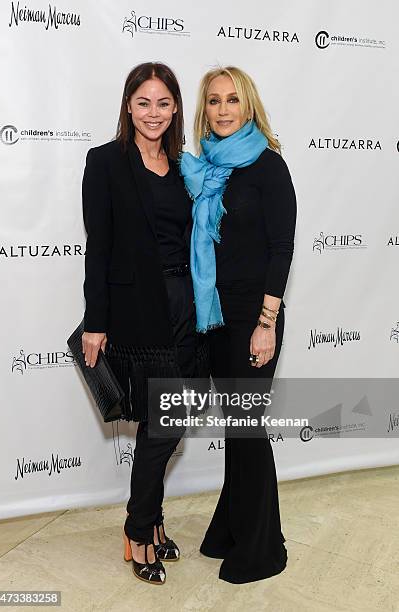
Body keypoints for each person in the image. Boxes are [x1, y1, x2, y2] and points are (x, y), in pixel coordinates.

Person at [81, 62, 207, 585]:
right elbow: (99, 249)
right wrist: (95, 321)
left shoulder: (187, 166)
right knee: (163, 426)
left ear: (175, 107)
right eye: (143, 103)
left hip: (187, 309)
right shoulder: (105, 162)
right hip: (137, 313)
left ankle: (150, 522)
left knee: (169, 422)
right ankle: (138, 530)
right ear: (128, 106)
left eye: (162, 103)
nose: (152, 113)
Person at [180, 66, 297, 584]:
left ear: (248, 106)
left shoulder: (269, 167)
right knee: (238, 429)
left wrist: (266, 322)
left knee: (248, 429)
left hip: (255, 319)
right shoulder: (208, 170)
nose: (223, 110)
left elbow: (281, 249)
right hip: (219, 322)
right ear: (204, 110)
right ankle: (231, 529)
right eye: (213, 101)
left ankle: (264, 549)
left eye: (232, 100)